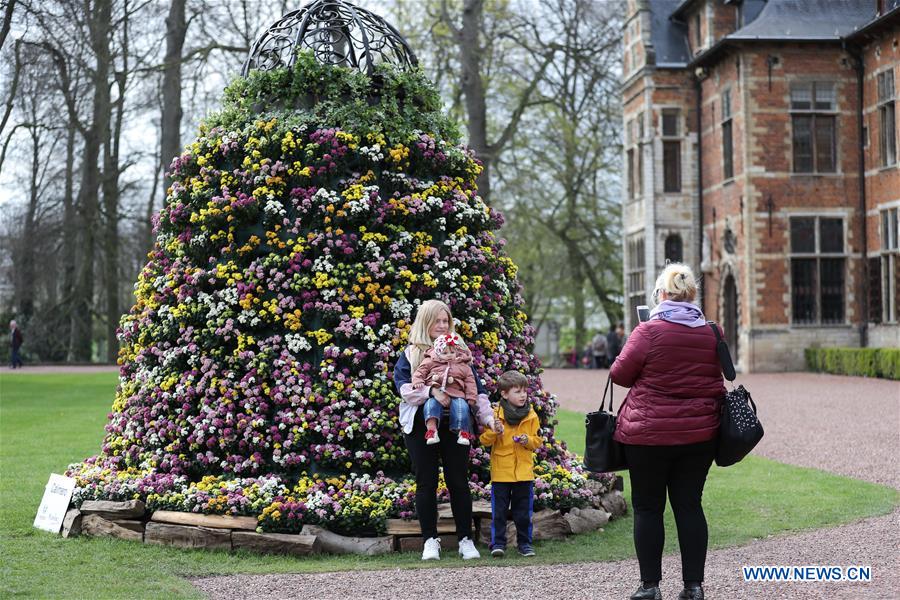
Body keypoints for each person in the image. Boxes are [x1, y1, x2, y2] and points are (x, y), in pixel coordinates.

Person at [610, 264, 724, 600]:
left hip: (649, 435)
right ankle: (693, 586)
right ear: (692, 295)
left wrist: (637, 338)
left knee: (648, 507)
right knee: (689, 506)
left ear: (661, 294)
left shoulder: (648, 331)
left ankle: (650, 587)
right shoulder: (712, 332)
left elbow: (619, 374)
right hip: (700, 435)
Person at [393, 299, 496, 561]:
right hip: (420, 426)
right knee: (425, 481)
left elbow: (477, 390)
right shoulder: (411, 354)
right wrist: (432, 392)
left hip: (456, 425)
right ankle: (429, 540)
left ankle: (465, 539)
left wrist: (487, 417)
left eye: (445, 321)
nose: (441, 326)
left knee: (459, 481)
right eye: (436, 321)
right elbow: (405, 389)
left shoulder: (458, 352)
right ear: (425, 323)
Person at [479, 370, 543, 558]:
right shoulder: (494, 414)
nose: (523, 395)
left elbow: (537, 441)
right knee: (499, 513)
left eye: (524, 391)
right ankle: (498, 544)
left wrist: (527, 440)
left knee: (523, 513)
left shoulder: (531, 415)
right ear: (505, 394)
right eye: (517, 391)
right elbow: (484, 440)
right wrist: (494, 432)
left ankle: (525, 544)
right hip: (501, 474)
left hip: (524, 473)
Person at [412, 332, 478, 446]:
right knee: (430, 405)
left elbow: (470, 381)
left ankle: (463, 432)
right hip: (436, 392)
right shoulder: (430, 361)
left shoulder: (462, 364)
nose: (449, 355)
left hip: (457, 393)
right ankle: (432, 430)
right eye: (445, 353)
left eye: (452, 352)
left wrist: (471, 396)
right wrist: (418, 381)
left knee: (462, 407)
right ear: (437, 352)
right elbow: (420, 371)